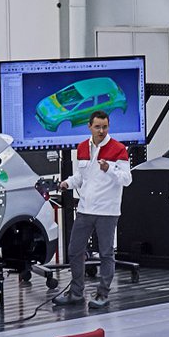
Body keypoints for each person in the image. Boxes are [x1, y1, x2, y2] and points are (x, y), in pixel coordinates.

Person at [59, 109, 132, 309]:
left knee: (106, 253)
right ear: (89, 127)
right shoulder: (82, 147)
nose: (101, 131)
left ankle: (102, 294)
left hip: (107, 210)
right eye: (98, 127)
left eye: (105, 127)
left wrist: (110, 169)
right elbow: (80, 177)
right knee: (75, 250)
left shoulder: (118, 149)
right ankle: (76, 293)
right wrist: (66, 184)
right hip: (85, 208)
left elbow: (127, 179)